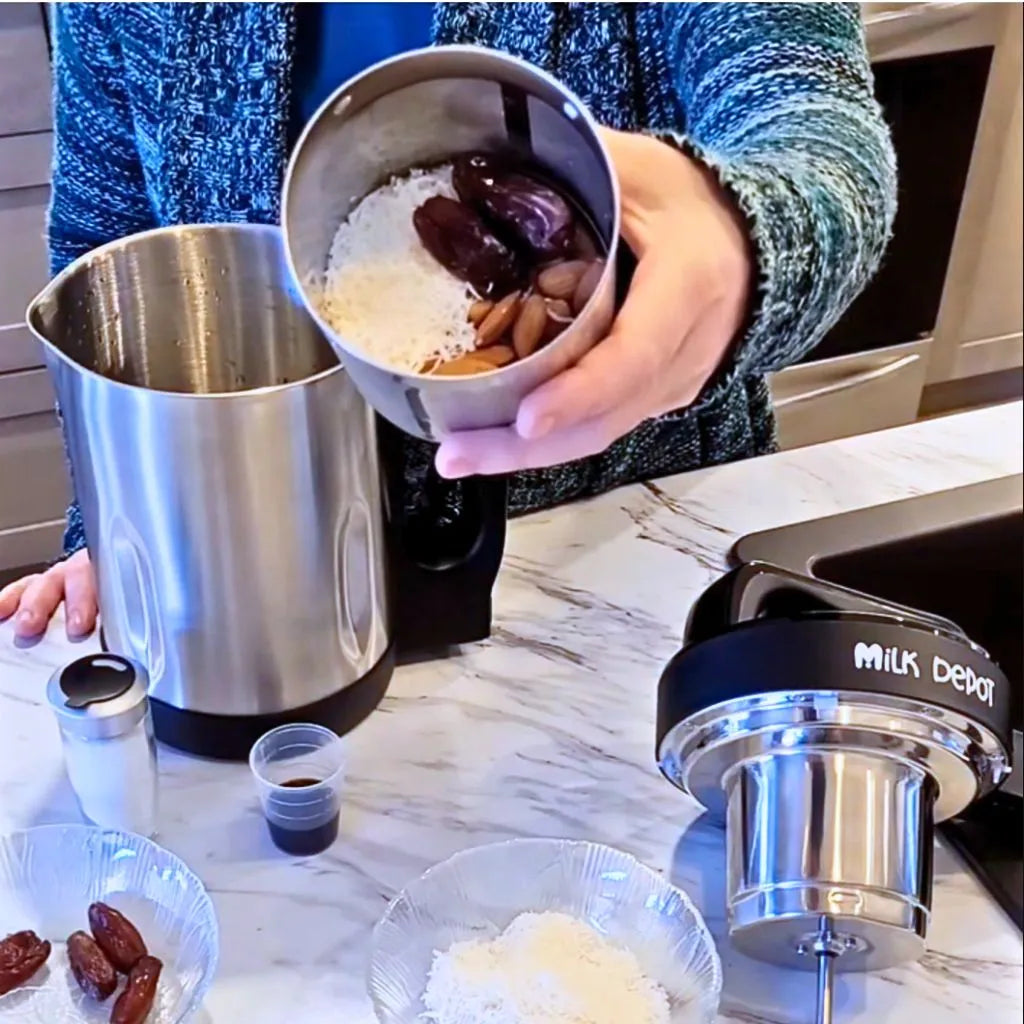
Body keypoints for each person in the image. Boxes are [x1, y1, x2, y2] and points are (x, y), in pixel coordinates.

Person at [0, 2, 895, 639]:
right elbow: (105, 248)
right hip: (264, 599)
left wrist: (740, 237)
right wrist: (121, 527)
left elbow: (817, 132)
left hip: (633, 577)